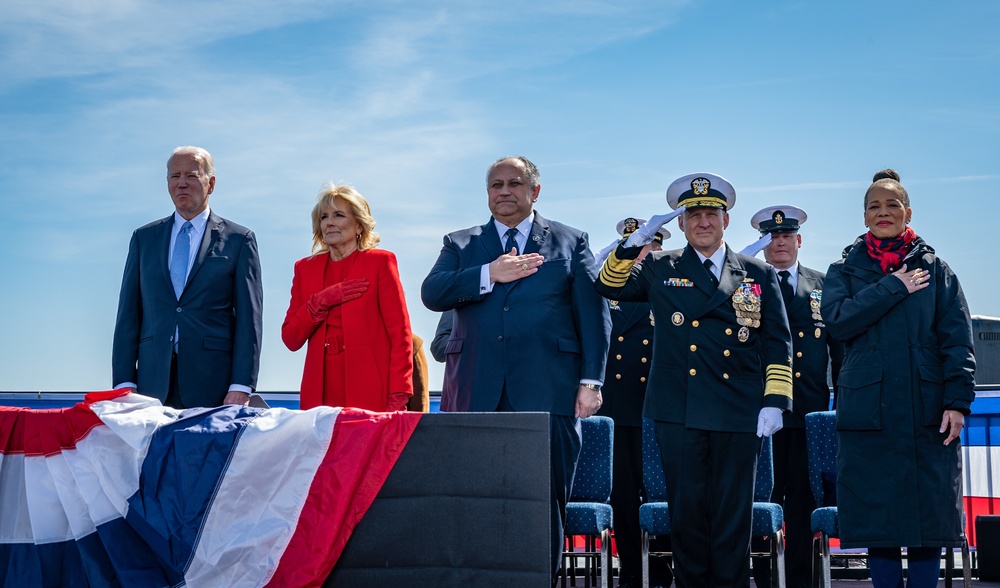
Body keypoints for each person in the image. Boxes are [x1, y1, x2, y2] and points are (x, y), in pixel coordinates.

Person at [596, 172, 793, 588]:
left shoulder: (757, 273)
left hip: (738, 412)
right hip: (678, 411)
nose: (703, 221)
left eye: (711, 214)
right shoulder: (659, 267)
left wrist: (775, 399)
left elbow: (778, 343)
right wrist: (630, 246)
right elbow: (607, 283)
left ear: (726, 221)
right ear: (682, 224)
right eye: (694, 214)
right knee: (687, 518)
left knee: (731, 517)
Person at [421, 155, 611, 579]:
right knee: (474, 501)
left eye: (514, 183)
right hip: (475, 393)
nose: (504, 191)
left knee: (544, 503)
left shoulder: (570, 240)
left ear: (534, 191)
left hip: (549, 392)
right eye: (495, 184)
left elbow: (594, 316)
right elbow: (432, 292)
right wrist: (490, 272)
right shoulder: (461, 244)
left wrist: (591, 381)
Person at [820, 169, 975, 588]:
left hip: (928, 414)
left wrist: (958, 403)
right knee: (878, 520)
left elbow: (958, 342)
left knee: (928, 518)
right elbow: (837, 322)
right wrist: (892, 287)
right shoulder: (843, 271)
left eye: (892, 205)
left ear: (908, 212)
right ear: (864, 215)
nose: (883, 212)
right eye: (874, 206)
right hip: (869, 416)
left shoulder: (937, 271)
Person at [112, 146, 263, 409]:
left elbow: (249, 320)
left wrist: (241, 386)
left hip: (214, 386)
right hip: (150, 388)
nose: (181, 183)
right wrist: (124, 383)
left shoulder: (239, 241)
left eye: (191, 175)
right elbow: (128, 315)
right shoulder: (143, 239)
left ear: (211, 183)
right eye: (174, 176)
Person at [747, 205, 843, 588]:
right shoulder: (748, 284)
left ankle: (802, 577)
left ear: (799, 241)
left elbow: (838, 349)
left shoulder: (823, 285)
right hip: (761, 412)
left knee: (803, 499)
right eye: (772, 237)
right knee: (761, 497)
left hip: (808, 412)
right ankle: (765, 577)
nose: (780, 243)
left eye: (786, 236)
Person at [281, 184, 413, 412]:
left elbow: (400, 336)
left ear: (359, 225)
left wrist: (399, 393)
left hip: (372, 390)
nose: (329, 222)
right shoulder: (305, 269)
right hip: (319, 395)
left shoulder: (381, 262)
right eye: (324, 217)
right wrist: (320, 301)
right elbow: (290, 338)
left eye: (338, 215)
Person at [597, 218, 672, 588]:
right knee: (623, 495)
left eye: (650, 246)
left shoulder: (668, 288)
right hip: (616, 407)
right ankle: (631, 568)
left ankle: (663, 565)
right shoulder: (607, 292)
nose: (644, 252)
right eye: (636, 246)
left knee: (667, 490)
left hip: (657, 407)